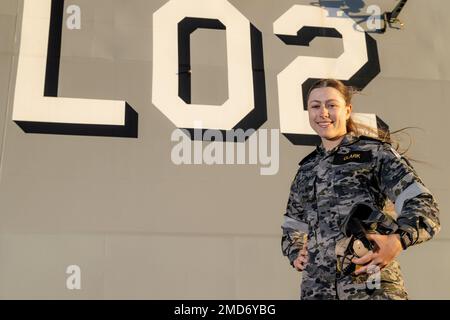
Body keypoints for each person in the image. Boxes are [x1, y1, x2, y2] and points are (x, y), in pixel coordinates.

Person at [281, 79, 441, 300]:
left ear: (347, 110)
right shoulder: (307, 169)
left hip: (370, 287)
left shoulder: (373, 154)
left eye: (331, 105)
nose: (323, 113)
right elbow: (293, 222)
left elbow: (422, 202)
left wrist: (398, 240)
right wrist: (295, 250)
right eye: (315, 106)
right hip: (317, 291)